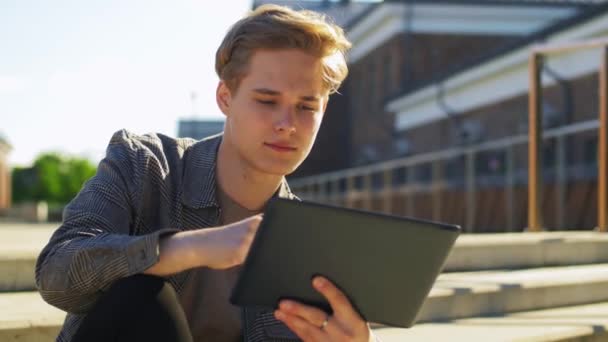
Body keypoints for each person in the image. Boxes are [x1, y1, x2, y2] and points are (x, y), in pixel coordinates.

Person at [36, 4, 378, 342]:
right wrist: (187, 249)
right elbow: (55, 275)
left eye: (306, 106)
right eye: (267, 100)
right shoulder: (145, 165)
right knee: (140, 293)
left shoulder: (311, 243)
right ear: (225, 98)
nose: (287, 125)